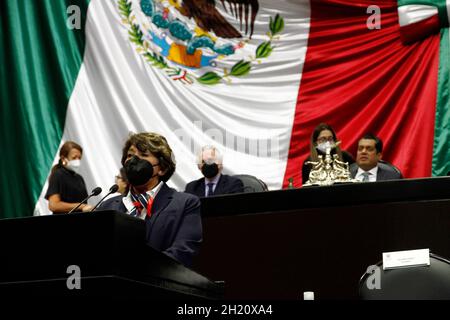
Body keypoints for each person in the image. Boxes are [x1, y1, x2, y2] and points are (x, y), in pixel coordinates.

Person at [98, 132, 202, 267]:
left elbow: (183, 251)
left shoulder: (185, 204)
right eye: (130, 155)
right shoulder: (107, 206)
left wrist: (140, 270)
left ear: (162, 169)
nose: (134, 160)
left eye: (143, 155)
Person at [45, 141, 93, 214]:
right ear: (63, 158)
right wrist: (81, 206)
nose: (77, 161)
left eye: (79, 158)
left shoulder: (79, 178)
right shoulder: (58, 175)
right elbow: (53, 205)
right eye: (74, 158)